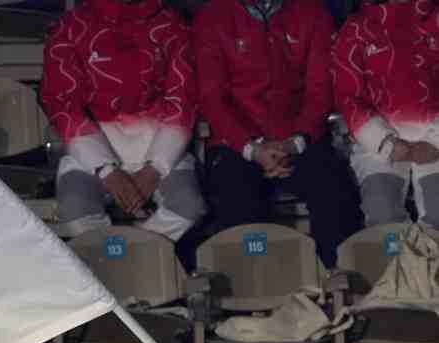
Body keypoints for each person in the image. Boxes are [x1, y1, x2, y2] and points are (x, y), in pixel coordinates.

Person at [192, 0, 364, 269]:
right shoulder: (213, 17)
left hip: (300, 140)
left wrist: (296, 142)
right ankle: (255, 296)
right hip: (239, 145)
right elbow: (212, 99)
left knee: (335, 193)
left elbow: (321, 91)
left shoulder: (313, 12)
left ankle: (335, 283)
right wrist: (253, 149)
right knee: (236, 202)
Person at [40, 0, 207, 242]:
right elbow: (62, 102)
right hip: (93, 152)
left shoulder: (172, 25)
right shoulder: (70, 27)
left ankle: (135, 250)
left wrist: (155, 169)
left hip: (158, 146)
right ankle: (115, 255)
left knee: (188, 208)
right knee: (75, 212)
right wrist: (106, 170)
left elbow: (182, 100)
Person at [332, 0, 439, 230]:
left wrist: (434, 141)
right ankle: (396, 266)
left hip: (434, 140)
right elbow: (349, 97)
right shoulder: (356, 29)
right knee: (382, 213)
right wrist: (386, 143)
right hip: (381, 145)